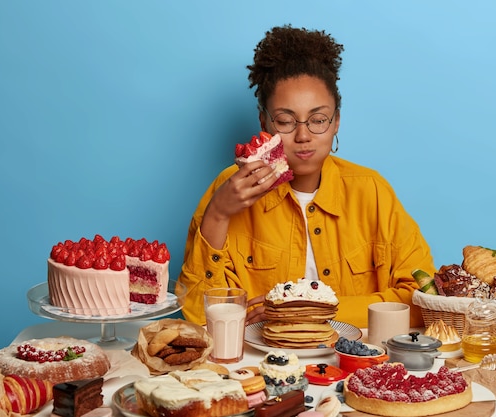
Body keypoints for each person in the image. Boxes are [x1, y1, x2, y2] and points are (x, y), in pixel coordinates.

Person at [177, 25, 435, 330]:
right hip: (260, 367)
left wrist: (315, 309)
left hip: (354, 365)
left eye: (318, 120)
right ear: (264, 121)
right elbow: (199, 316)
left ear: (336, 121)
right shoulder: (230, 188)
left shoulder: (372, 192)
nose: (303, 136)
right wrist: (218, 215)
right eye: (285, 121)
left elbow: (426, 301)